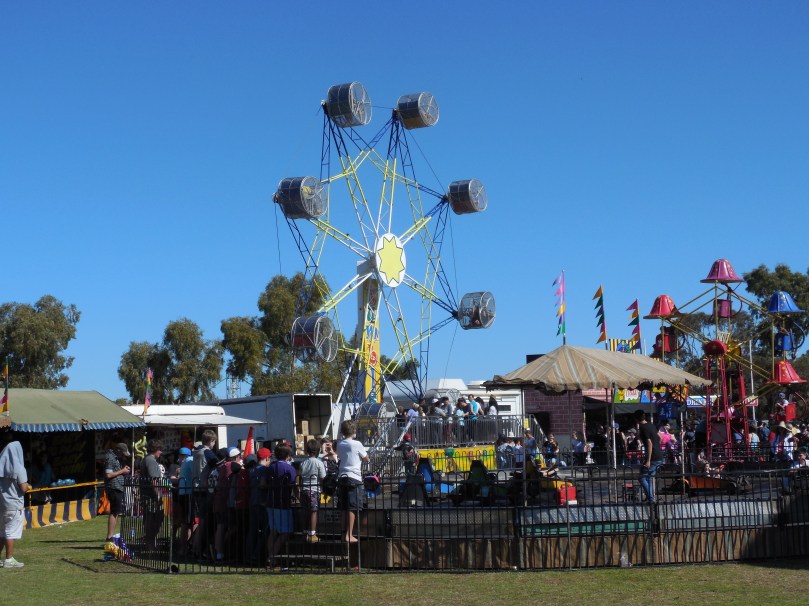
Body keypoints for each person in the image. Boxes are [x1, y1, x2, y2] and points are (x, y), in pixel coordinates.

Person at [0, 432, 30, 568]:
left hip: (2, 503)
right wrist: (29, 486)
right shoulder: (19, 468)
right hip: (14, 504)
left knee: (2, 531)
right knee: (11, 532)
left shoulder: (1, 465)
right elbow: (23, 488)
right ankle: (9, 559)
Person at [336, 420, 369, 544]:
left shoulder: (340, 444)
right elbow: (366, 459)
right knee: (353, 507)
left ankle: (344, 533)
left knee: (344, 506)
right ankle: (349, 535)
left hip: (342, 476)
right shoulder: (357, 444)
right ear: (354, 430)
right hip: (354, 477)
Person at [266, 442, 296, 568]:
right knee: (285, 532)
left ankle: (270, 557)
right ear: (288, 455)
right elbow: (294, 485)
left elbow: (264, 482)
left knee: (273, 531)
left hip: (270, 502)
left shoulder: (270, 467)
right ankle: (272, 556)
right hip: (282, 502)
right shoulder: (290, 469)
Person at [299, 439, 326, 543]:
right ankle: (312, 534)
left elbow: (301, 476)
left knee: (305, 512)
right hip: (314, 489)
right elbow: (323, 477)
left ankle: (304, 533)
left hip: (304, 489)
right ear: (318, 450)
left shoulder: (303, 463)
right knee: (313, 512)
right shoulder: (319, 463)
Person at [103, 442, 131, 542]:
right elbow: (108, 475)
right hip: (113, 487)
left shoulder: (115, 458)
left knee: (116, 511)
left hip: (118, 487)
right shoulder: (110, 458)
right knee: (114, 511)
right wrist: (122, 471)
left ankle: (111, 536)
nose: (123, 455)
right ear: (118, 450)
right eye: (122, 453)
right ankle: (109, 537)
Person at [140, 438, 165, 549]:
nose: (161, 452)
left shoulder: (145, 459)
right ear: (155, 449)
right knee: (155, 518)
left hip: (146, 495)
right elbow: (154, 480)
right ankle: (150, 543)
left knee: (150, 519)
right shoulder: (151, 461)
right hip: (151, 496)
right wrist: (158, 496)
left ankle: (150, 542)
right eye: (160, 450)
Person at [635, 410, 664, 504]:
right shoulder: (651, 425)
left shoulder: (643, 428)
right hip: (659, 454)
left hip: (653, 457)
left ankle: (651, 499)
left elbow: (649, 443)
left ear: (636, 419)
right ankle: (651, 499)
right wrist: (657, 446)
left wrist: (648, 460)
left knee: (642, 477)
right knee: (650, 478)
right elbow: (660, 437)